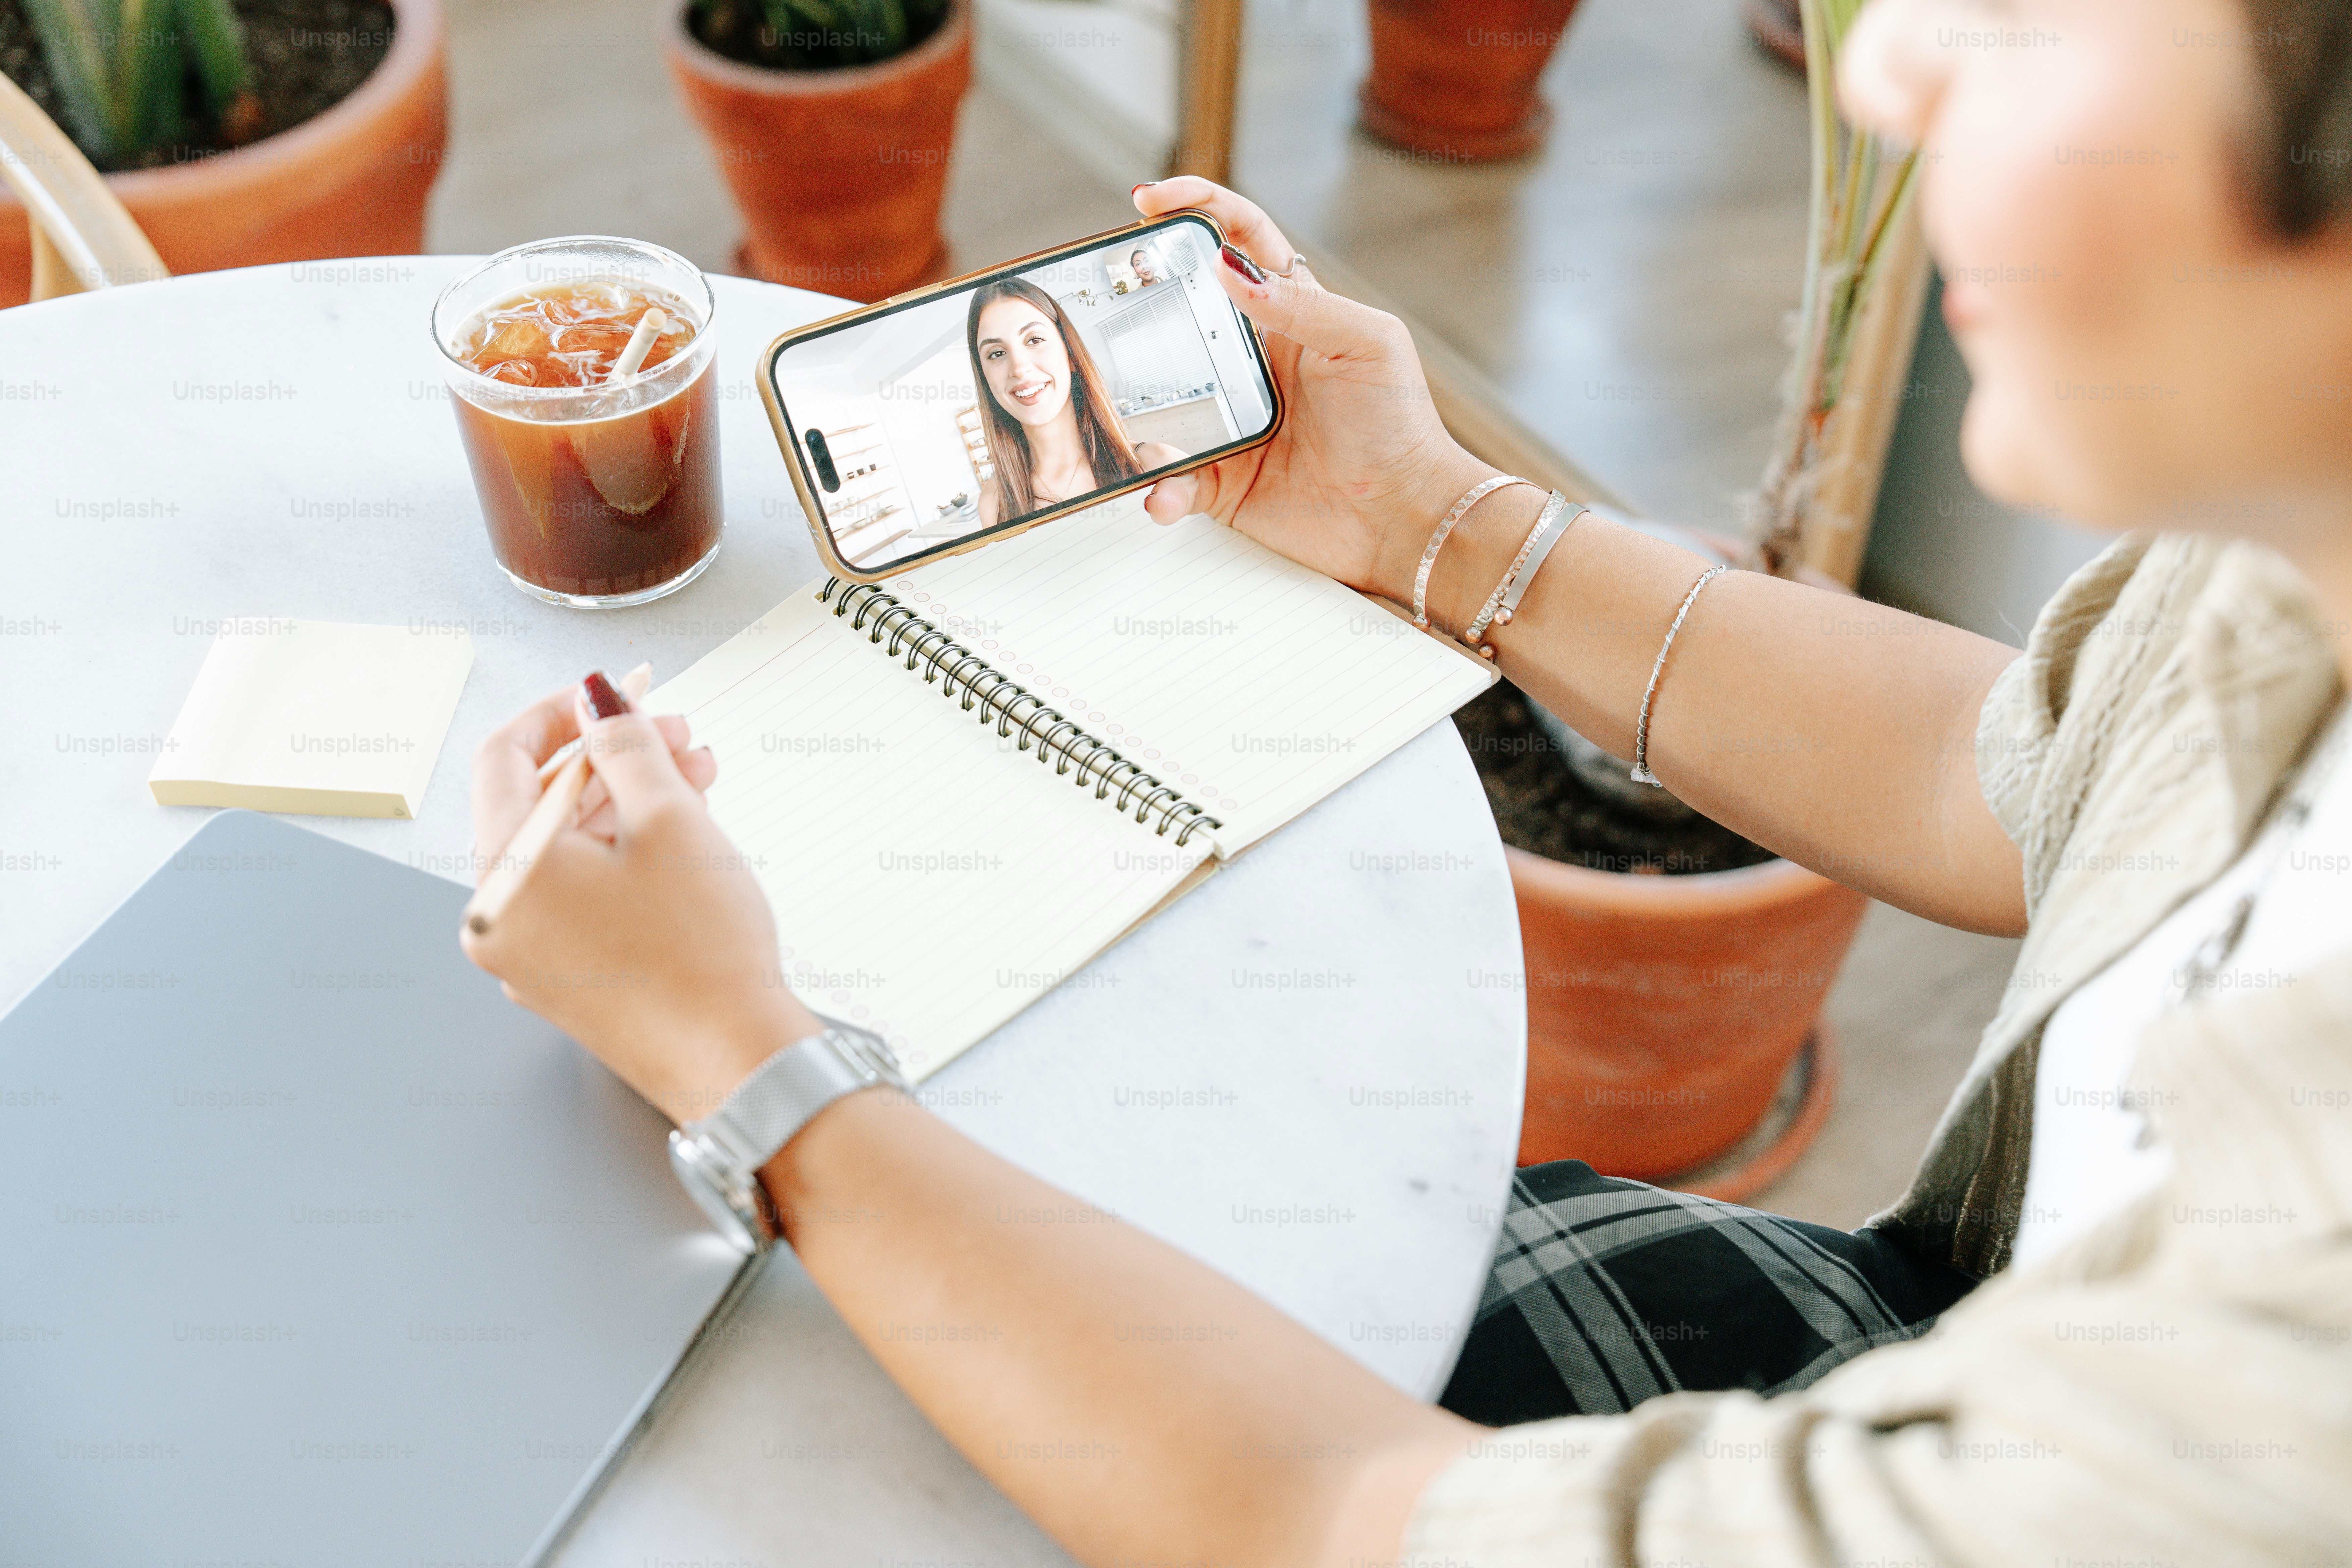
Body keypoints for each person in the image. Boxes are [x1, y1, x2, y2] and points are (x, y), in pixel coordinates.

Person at [460, 0, 2352, 1562]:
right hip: (1938, 1326)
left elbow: (1339, 1517)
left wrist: (747, 1062)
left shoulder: (2281, 1371)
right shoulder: (2290, 582)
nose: (1891, 71)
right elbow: (2003, 766)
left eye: (2031, 21)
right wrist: (1428, 517)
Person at [965, 276, 1185, 528]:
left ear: (1069, 353)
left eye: (1035, 340)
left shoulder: (1159, 463)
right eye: (997, 354)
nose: (1019, 369)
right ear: (985, 379)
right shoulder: (994, 504)